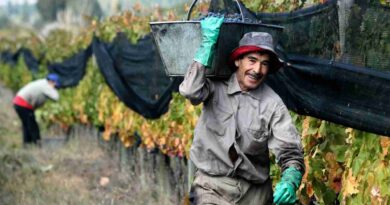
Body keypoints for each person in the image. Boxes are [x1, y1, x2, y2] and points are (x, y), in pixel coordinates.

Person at [179, 17, 305, 205]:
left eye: (264, 63)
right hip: (211, 187)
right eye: (252, 60)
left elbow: (290, 152)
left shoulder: (272, 104)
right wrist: (207, 45)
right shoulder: (215, 87)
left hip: (254, 194)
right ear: (238, 61)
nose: (257, 69)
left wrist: (290, 180)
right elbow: (190, 91)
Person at [13, 73, 60, 146]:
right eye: (55, 85)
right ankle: (37, 145)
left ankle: (27, 145)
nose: (55, 87)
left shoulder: (42, 82)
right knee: (33, 126)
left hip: (19, 103)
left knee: (27, 125)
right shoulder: (46, 86)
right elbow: (56, 97)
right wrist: (52, 88)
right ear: (51, 81)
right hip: (22, 104)